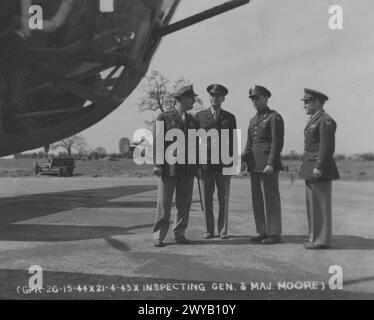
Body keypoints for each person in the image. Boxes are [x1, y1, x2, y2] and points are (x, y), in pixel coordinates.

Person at [152, 85, 198, 247]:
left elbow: (195, 145)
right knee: (164, 203)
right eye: (192, 98)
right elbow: (158, 142)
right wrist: (158, 164)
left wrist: (196, 165)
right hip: (169, 168)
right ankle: (159, 236)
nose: (194, 101)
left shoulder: (193, 120)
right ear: (182, 98)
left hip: (187, 168)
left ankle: (179, 234)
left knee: (184, 204)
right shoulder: (163, 117)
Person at [242, 85, 284, 244]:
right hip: (254, 164)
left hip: (267, 164)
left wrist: (271, 163)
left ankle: (274, 233)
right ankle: (262, 231)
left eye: (257, 97)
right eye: (252, 98)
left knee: (270, 199)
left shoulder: (274, 117)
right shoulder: (253, 120)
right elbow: (249, 143)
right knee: (258, 199)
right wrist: (244, 160)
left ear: (266, 98)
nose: (254, 101)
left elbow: (276, 142)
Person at [195, 84, 237, 239]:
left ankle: (223, 230)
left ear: (223, 98)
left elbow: (233, 142)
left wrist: (232, 164)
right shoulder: (199, 117)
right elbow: (194, 142)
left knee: (223, 198)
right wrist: (196, 166)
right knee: (206, 200)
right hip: (205, 165)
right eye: (212, 95)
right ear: (209, 97)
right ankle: (208, 229)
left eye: (218, 96)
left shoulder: (230, 118)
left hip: (224, 165)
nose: (215, 98)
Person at [299, 88, 339, 249]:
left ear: (317, 102)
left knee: (320, 206)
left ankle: (321, 240)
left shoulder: (325, 120)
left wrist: (319, 166)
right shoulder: (314, 119)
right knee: (312, 205)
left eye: (307, 102)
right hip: (310, 167)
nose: (304, 105)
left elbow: (327, 147)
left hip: (318, 168)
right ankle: (314, 237)